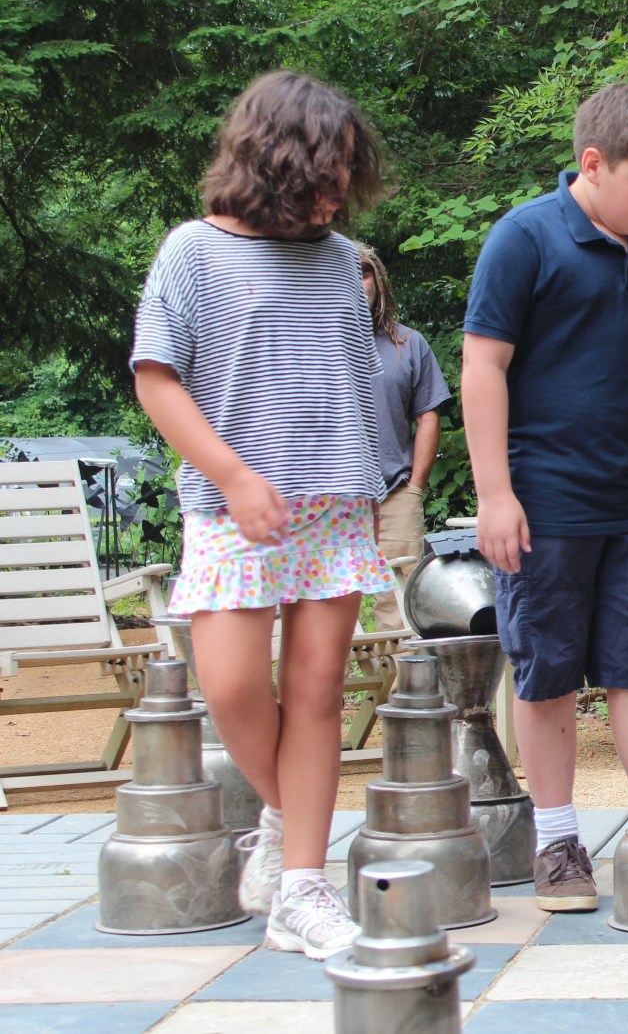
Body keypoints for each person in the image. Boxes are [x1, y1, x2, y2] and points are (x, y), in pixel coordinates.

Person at [131, 70, 396, 958]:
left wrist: (368, 494)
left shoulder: (341, 260)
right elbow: (156, 379)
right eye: (328, 167)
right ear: (275, 158)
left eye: (347, 170)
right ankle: (287, 821)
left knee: (317, 694)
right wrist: (235, 475)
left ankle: (303, 887)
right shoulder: (191, 252)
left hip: (334, 506)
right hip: (230, 506)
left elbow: (354, 387)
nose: (340, 186)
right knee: (234, 687)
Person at [461, 82, 628, 911]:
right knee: (545, 674)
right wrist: (495, 492)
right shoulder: (523, 240)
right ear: (593, 164)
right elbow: (483, 365)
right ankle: (557, 843)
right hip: (541, 502)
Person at [356, 242, 451, 630]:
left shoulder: (408, 344)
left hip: (394, 493)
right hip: (328, 500)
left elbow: (428, 416)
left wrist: (415, 487)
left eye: (363, 272)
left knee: (401, 609)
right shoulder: (312, 346)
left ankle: (397, 673)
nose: (355, 281)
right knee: (322, 607)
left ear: (378, 280)